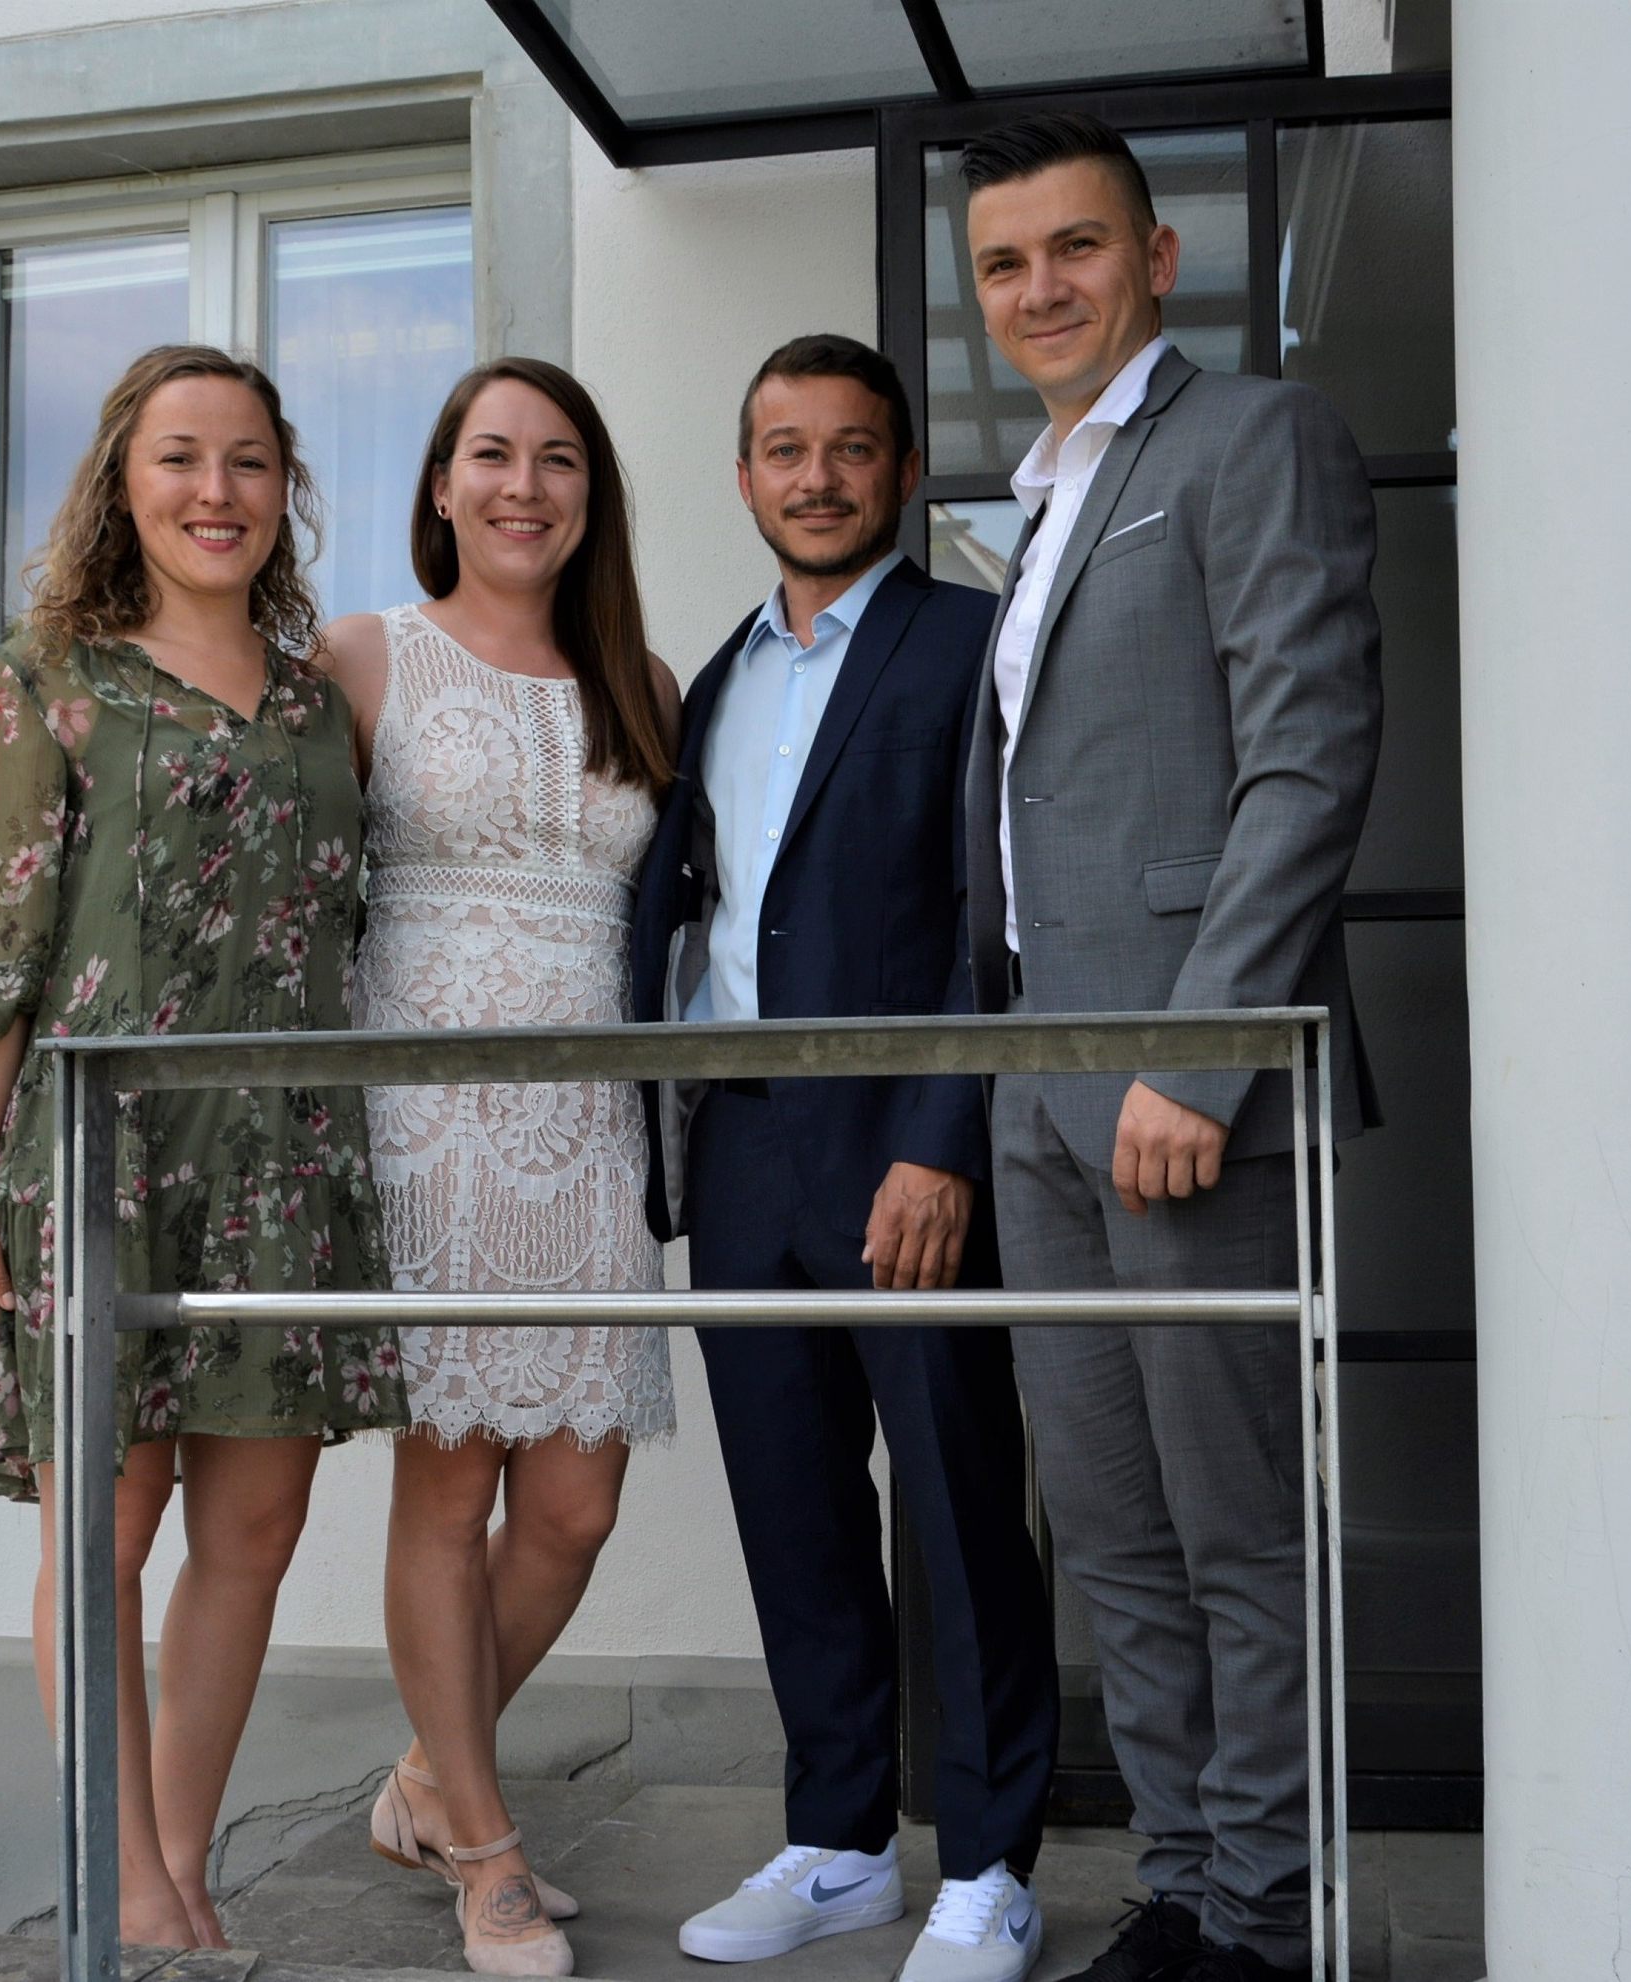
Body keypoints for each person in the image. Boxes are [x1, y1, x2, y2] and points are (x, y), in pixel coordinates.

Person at [958, 113, 1384, 1982]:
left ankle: (1275, 1916)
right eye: (1002, 264)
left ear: (1157, 259)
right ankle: (1187, 1883)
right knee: (1114, 1536)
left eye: (1073, 248)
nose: (1038, 288)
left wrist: (1195, 1058)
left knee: (1235, 1535)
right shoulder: (1035, 493)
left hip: (1179, 1080)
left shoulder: (1249, 438)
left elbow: (1304, 762)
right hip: (1036, 1086)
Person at [0, 344, 405, 1952]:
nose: (218, 491)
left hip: (288, 1158)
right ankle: (123, 1887)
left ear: (286, 489)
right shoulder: (46, 674)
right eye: (183, 457)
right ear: (124, 481)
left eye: (250, 461)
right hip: (103, 1167)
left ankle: (183, 1868)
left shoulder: (317, 692)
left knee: (254, 1533)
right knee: (105, 1538)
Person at [629, 333, 1057, 1982]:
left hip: (902, 1146)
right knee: (791, 1505)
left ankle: (992, 1861)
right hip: (742, 1146)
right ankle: (838, 1840)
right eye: (783, 448)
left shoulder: (972, 640)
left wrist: (945, 1133)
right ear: (743, 475)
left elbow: (993, 910)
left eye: (850, 446)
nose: (816, 475)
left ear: (898, 468)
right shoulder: (713, 675)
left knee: (955, 1504)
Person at [326, 356, 681, 1979]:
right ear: (442, 484)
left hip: (589, 1128)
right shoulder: (361, 656)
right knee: (450, 1473)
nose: (521, 484)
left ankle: (419, 1779)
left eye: (554, 459)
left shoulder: (643, 685)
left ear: (589, 494)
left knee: (577, 1499)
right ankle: (483, 1848)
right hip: (430, 1124)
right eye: (490, 455)